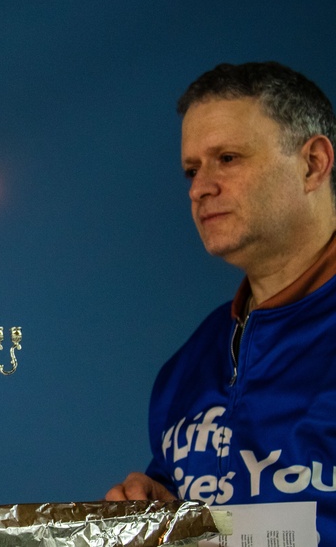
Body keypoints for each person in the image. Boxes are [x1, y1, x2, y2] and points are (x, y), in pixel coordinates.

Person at [106, 61, 336, 537]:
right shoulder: (190, 363)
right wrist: (154, 499)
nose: (200, 188)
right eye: (192, 169)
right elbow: (193, 510)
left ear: (313, 163)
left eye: (227, 158)